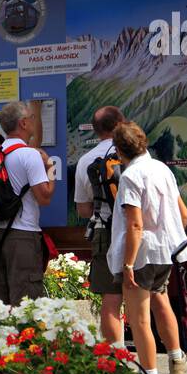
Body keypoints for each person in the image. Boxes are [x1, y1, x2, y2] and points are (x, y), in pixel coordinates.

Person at [107, 122, 187, 374]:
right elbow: (184, 214)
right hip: (166, 250)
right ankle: (178, 363)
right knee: (162, 302)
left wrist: (129, 263)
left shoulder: (131, 176)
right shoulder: (162, 169)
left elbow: (135, 225)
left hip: (142, 252)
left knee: (140, 317)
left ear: (120, 149)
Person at [0, 101, 54, 304]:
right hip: (22, 235)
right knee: (26, 303)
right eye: (32, 118)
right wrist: (50, 165)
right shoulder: (30, 155)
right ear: (24, 123)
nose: (33, 121)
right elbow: (45, 197)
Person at [74, 105, 125, 345]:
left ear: (95, 130)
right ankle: (173, 361)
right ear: (121, 124)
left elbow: (83, 210)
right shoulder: (134, 154)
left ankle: (117, 359)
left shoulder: (86, 160)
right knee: (149, 298)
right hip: (139, 231)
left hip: (105, 231)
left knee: (111, 298)